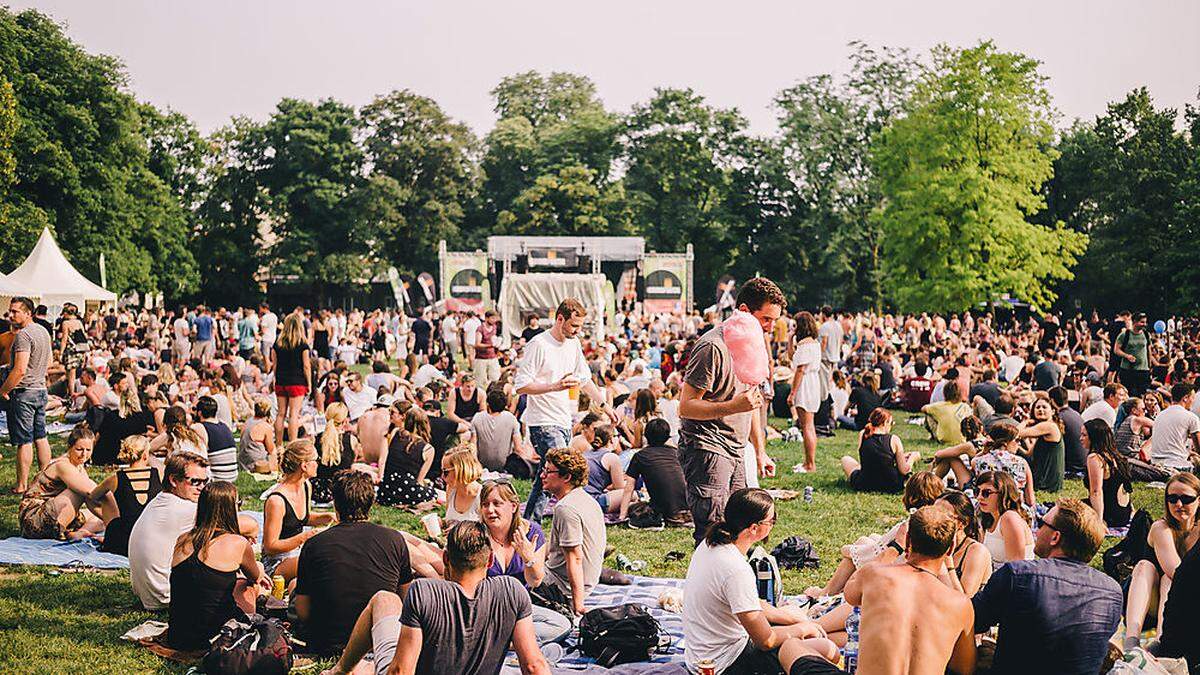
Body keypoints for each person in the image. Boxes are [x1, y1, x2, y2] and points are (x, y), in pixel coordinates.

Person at [319, 520, 550, 675]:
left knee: (384, 599)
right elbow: (533, 665)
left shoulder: (424, 592)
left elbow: (400, 671)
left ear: (446, 559)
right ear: (489, 562)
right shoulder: (512, 590)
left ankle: (340, 671)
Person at [780, 504, 977, 675]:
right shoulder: (960, 604)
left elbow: (851, 594)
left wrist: (894, 548)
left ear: (908, 540)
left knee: (790, 647)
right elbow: (964, 668)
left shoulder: (875, 575)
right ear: (950, 548)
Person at [683, 487, 835, 675]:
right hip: (726, 663)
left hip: (700, 657)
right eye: (772, 520)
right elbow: (766, 641)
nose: (774, 524)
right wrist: (803, 628)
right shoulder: (736, 569)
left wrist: (789, 617)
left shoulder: (709, 545)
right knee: (827, 649)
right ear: (754, 528)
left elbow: (747, 602)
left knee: (792, 615)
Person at [679, 278, 784, 544]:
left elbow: (751, 406)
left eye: (774, 321)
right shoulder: (713, 347)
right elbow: (686, 406)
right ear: (746, 311)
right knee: (712, 530)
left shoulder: (752, 345)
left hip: (737, 449)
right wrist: (733, 406)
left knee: (740, 528)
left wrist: (760, 452)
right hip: (708, 447)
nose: (771, 328)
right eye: (766, 320)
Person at [973, 498, 1122, 675]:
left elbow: (970, 620)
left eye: (1042, 522)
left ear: (1055, 537)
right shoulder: (1112, 592)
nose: (1036, 530)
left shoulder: (1018, 575)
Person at [294, 470, 414, 656]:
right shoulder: (394, 539)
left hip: (327, 642)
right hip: (379, 640)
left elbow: (302, 610)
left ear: (335, 503)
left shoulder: (315, 544)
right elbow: (405, 597)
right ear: (370, 502)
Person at [515, 298, 613, 522]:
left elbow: (585, 379)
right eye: (574, 326)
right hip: (543, 421)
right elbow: (521, 385)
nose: (577, 331)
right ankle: (576, 522)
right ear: (560, 319)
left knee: (548, 477)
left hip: (563, 419)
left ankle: (529, 525)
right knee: (564, 473)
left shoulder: (573, 344)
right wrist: (554, 386)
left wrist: (605, 406)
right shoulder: (539, 344)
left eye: (580, 326)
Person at [129, 453, 258, 610]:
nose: (202, 488)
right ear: (174, 480)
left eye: (205, 482)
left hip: (150, 593)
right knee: (250, 582)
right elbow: (250, 525)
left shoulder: (159, 501)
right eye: (195, 482)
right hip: (167, 596)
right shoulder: (184, 509)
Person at [167, 482, 269, 651]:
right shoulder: (238, 543)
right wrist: (260, 573)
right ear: (230, 509)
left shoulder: (183, 539)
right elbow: (255, 577)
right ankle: (251, 622)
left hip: (178, 637)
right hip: (218, 638)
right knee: (249, 587)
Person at [476, 480, 574, 645]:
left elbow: (535, 581)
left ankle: (501, 640)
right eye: (485, 505)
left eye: (497, 504)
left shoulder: (531, 533)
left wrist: (528, 558)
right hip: (484, 609)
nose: (490, 510)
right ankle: (515, 641)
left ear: (513, 506)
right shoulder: (476, 535)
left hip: (518, 609)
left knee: (561, 625)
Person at [1123, 473, 1200, 648]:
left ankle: (1161, 640)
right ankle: (1131, 640)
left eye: (1186, 499)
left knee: (1169, 580)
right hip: (1147, 603)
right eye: (1172, 498)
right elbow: (1178, 573)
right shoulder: (1161, 528)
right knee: (1148, 567)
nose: (1179, 504)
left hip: (1182, 606)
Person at [531, 447, 606, 617]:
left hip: (562, 587)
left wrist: (577, 604)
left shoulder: (565, 508)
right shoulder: (586, 499)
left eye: (548, 472)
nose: (542, 476)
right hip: (587, 580)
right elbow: (557, 546)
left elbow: (575, 558)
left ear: (566, 476)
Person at [262, 439, 336, 582]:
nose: (318, 463)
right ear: (304, 465)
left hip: (296, 552)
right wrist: (303, 538)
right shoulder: (277, 501)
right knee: (319, 563)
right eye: (316, 459)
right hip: (275, 562)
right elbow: (270, 546)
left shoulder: (306, 486)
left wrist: (327, 516)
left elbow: (303, 518)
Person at [2, 297, 53, 494]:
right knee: (41, 436)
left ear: (28, 313)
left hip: (24, 392)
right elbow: (48, 362)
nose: (11, 315)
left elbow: (20, 369)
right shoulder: (43, 332)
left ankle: (22, 485)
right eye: (10, 311)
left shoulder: (23, 335)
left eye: (15, 311)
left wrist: (4, 390)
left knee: (25, 440)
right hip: (40, 390)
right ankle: (46, 480)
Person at [17, 425, 104, 540]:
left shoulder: (79, 468)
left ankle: (79, 532)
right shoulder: (62, 465)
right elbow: (91, 491)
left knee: (98, 520)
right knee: (78, 491)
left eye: (88, 450)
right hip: (34, 519)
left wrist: (110, 517)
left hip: (55, 512)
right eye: (79, 449)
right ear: (70, 447)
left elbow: (93, 497)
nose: (84, 454)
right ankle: (61, 532)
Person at [91, 435, 162, 556]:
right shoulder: (159, 474)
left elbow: (93, 496)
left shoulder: (116, 478)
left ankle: (109, 534)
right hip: (153, 539)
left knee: (105, 497)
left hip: (124, 542)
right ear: (145, 455)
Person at [620, 418, 690, 525]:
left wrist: (622, 516)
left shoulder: (640, 456)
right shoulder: (676, 453)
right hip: (688, 507)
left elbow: (629, 488)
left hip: (664, 511)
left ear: (646, 436)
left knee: (634, 508)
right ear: (667, 436)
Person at [840, 408, 920, 493]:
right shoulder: (894, 439)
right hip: (892, 485)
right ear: (885, 422)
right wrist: (913, 457)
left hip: (864, 484)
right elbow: (904, 470)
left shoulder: (863, 434)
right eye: (891, 423)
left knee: (845, 459)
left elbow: (871, 457)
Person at [934, 491, 993, 596]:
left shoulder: (977, 551)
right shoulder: (934, 543)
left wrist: (948, 562)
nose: (934, 519)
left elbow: (965, 599)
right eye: (933, 513)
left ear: (962, 523)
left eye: (942, 516)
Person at [377, 405, 437, 506]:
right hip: (409, 493)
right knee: (433, 492)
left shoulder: (395, 433)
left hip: (387, 491)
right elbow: (419, 481)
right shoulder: (428, 449)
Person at [1082, 418, 1133, 528]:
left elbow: (1096, 491)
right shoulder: (1116, 456)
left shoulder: (1095, 458)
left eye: (1084, 435)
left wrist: (1099, 521)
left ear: (1094, 438)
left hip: (1109, 514)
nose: (1080, 439)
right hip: (1123, 514)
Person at [970, 423, 1036, 508]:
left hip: (988, 509)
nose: (1019, 444)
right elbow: (1030, 500)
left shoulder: (979, 462)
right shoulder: (1022, 463)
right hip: (1014, 509)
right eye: (1017, 440)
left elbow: (973, 461)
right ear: (1005, 443)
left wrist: (984, 451)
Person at [975, 470, 1033, 567]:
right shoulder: (988, 517)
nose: (979, 497)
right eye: (977, 491)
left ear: (1003, 494)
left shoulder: (1010, 518)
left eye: (986, 493)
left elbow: (1017, 567)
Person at [314, 403, 370, 503]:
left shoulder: (317, 439)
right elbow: (353, 461)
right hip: (344, 490)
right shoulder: (351, 440)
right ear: (345, 421)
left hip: (320, 489)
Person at [789, 311, 821, 472]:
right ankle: (808, 461)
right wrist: (790, 339)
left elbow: (800, 369)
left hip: (805, 384)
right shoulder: (814, 343)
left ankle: (810, 464)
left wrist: (792, 393)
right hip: (813, 383)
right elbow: (791, 357)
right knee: (809, 425)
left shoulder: (805, 345)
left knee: (807, 426)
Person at [272, 313, 311, 445]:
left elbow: (275, 365)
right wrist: (309, 383)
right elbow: (306, 366)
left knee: (280, 414)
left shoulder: (278, 343)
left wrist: (275, 380)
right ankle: (292, 443)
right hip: (297, 382)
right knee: (293, 414)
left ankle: (278, 444)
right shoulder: (303, 344)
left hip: (281, 381)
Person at [471, 386, 527, 471]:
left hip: (481, 465)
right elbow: (518, 448)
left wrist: (475, 466)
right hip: (506, 466)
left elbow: (473, 446)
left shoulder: (477, 417)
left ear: (488, 404)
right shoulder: (511, 418)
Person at [1149, 382, 1200, 472]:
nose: (1193, 401)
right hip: (1177, 465)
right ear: (1185, 398)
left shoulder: (1160, 414)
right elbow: (1199, 447)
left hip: (1155, 464)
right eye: (1192, 398)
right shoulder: (1191, 417)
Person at [1020, 396, 1065, 492]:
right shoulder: (1047, 427)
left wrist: (1025, 422)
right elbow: (1029, 453)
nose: (1041, 410)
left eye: (1044, 407)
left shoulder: (1049, 426)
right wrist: (1017, 447)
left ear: (1053, 411)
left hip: (1045, 483)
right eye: (1038, 407)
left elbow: (1015, 433)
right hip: (1049, 480)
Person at [582, 425, 629, 514]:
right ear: (611, 439)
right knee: (631, 493)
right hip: (594, 502)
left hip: (578, 499)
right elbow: (619, 488)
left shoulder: (586, 453)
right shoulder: (612, 457)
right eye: (617, 436)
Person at [195, 396, 238, 482]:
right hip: (233, 474)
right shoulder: (224, 425)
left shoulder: (199, 427)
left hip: (217, 477)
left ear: (199, 413)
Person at [1050, 386, 1086, 476]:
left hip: (1072, 468)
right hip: (1083, 464)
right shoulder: (1076, 414)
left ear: (1052, 401)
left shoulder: (1059, 418)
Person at [921, 381, 971, 446]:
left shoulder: (939, 406)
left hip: (943, 439)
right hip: (963, 440)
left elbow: (923, 409)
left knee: (928, 414)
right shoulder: (965, 407)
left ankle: (934, 435)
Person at [1114, 312, 1151, 396]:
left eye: (1145, 322)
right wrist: (1127, 356)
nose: (1144, 324)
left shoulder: (1146, 334)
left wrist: (1150, 366)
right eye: (1142, 322)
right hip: (1128, 369)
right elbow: (1116, 350)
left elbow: (1148, 350)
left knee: (1142, 394)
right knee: (1128, 394)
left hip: (1143, 369)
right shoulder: (1125, 334)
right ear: (1134, 322)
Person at [238, 396, 278, 474]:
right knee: (275, 451)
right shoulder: (265, 427)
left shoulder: (247, 422)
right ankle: (274, 470)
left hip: (243, 462)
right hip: (257, 464)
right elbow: (271, 450)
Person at [442, 448, 483, 523]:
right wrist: (441, 522)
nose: (442, 476)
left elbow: (488, 530)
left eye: (445, 472)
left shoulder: (482, 495)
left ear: (460, 470)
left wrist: (461, 530)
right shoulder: (450, 489)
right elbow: (451, 520)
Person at [473, 310, 502, 388]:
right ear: (486, 318)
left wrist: (497, 346)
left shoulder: (495, 327)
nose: (494, 320)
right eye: (492, 318)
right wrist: (490, 345)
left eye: (495, 318)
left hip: (493, 357)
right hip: (481, 358)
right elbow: (477, 344)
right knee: (480, 381)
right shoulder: (480, 329)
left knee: (495, 378)